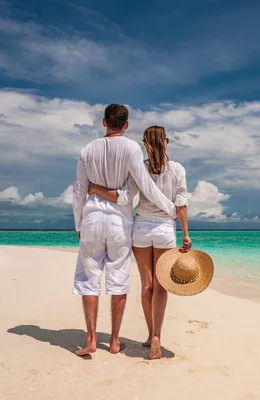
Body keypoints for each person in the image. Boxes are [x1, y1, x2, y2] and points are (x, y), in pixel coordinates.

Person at [72, 105, 177, 357]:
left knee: (89, 278)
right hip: (120, 222)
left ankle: (91, 339)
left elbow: (78, 191)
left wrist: (78, 223)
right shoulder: (131, 148)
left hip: (92, 218)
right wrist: (171, 209)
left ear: (104, 121)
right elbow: (141, 189)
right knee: (118, 277)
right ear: (127, 125)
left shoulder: (87, 150)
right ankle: (116, 341)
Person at [89, 125, 191, 360]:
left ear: (145, 145)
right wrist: (185, 234)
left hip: (141, 229)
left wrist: (97, 189)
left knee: (147, 284)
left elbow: (124, 197)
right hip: (165, 229)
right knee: (161, 285)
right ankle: (156, 335)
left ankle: (148, 335)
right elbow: (181, 205)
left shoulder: (140, 168)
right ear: (166, 142)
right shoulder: (177, 169)